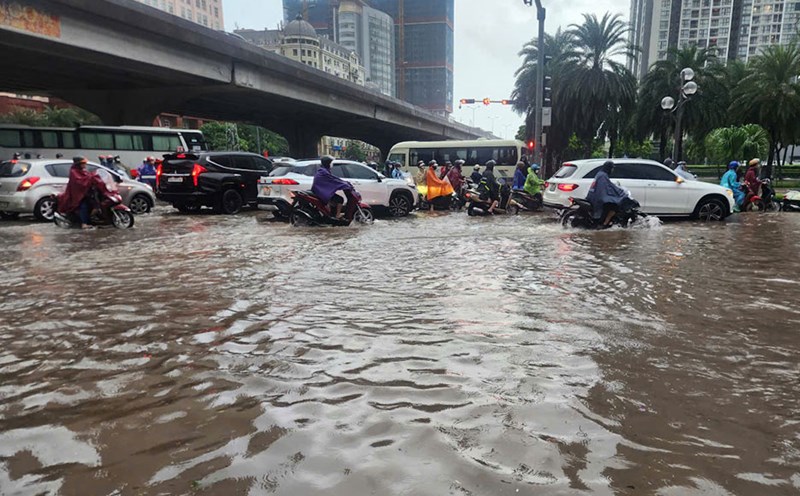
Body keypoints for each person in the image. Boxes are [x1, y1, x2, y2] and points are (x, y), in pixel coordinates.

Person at [57, 156, 107, 229]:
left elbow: (89, 177)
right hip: (79, 194)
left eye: (85, 163)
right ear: (78, 164)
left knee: (95, 203)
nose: (84, 165)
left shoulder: (83, 170)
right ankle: (84, 223)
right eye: (83, 163)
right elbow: (81, 181)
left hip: (87, 192)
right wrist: (90, 178)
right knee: (83, 205)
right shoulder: (73, 172)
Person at [586, 160, 628, 227]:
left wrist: (616, 188)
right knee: (615, 206)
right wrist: (618, 192)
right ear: (609, 168)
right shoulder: (603, 176)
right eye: (612, 168)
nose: (612, 170)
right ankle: (605, 224)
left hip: (593, 195)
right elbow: (605, 188)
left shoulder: (601, 174)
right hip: (596, 197)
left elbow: (608, 185)